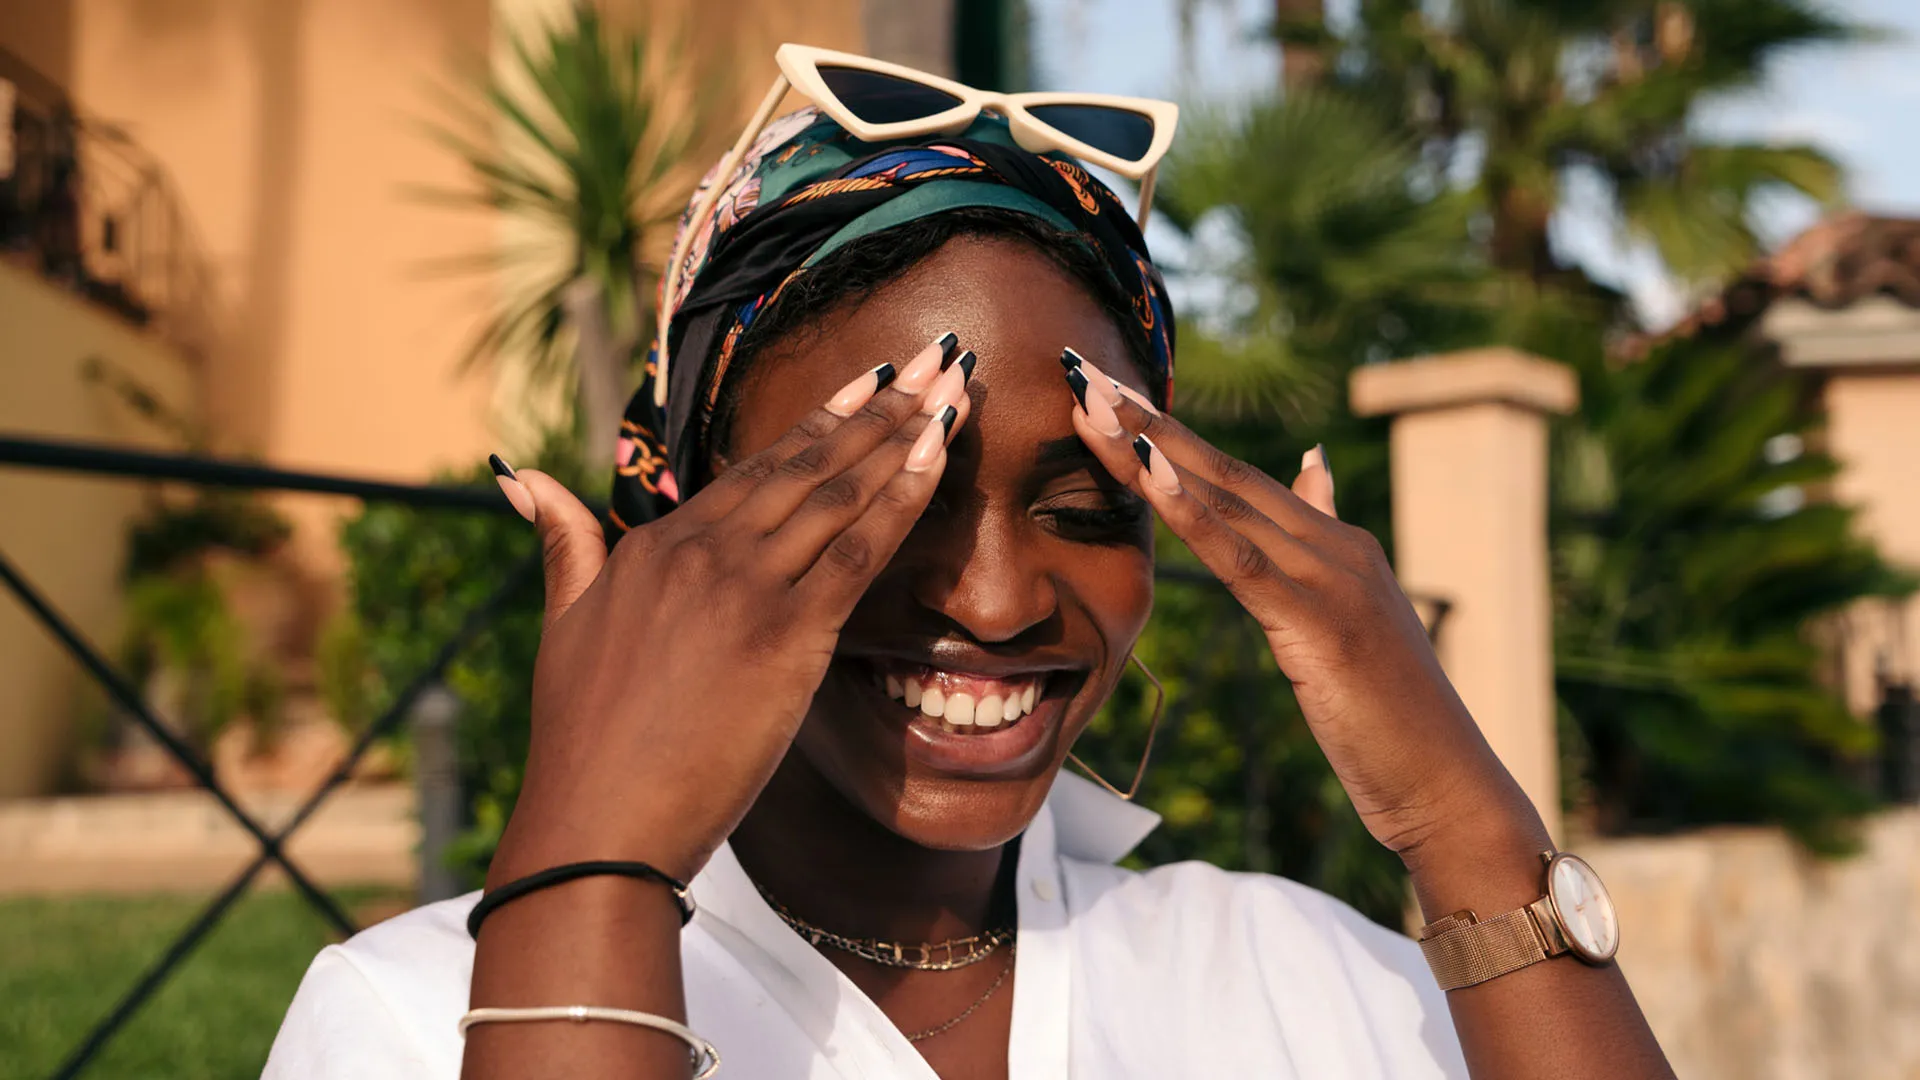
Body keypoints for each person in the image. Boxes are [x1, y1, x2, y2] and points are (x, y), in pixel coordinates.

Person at [266, 45, 1672, 1080]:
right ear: (683, 513)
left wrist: (1468, 830)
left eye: (1081, 506)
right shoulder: (415, 1018)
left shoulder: (1296, 976)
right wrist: (592, 875)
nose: (999, 603)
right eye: (889, 500)